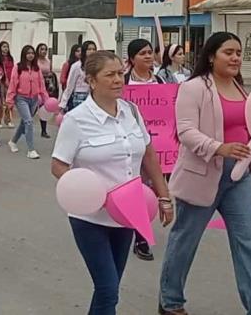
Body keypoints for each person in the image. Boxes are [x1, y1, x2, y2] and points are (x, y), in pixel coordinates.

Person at [159, 32, 251, 315]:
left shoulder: (241, 87)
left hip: (239, 177)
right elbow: (186, 131)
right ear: (211, 56)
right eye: (228, 52)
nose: (235, 57)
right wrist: (219, 148)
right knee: (185, 240)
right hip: (203, 174)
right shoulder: (194, 87)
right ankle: (171, 300)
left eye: (238, 52)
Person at [52, 50, 173, 315]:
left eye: (120, 73)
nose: (118, 80)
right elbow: (58, 165)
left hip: (126, 214)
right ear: (92, 81)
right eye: (110, 75)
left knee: (110, 287)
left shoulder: (131, 111)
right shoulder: (76, 120)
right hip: (90, 219)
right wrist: (89, 191)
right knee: (108, 289)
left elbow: (149, 155)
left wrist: (164, 196)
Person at [123, 38, 165, 261]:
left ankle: (139, 230)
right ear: (132, 59)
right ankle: (140, 238)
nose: (148, 56)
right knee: (136, 191)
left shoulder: (159, 81)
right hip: (130, 146)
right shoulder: (122, 82)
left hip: (156, 146)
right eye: (142, 53)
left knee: (152, 191)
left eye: (150, 52)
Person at [6, 45, 48, 159]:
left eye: (32, 53)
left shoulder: (36, 68)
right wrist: (9, 100)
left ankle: (13, 141)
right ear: (24, 54)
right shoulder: (18, 67)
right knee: (29, 122)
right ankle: (31, 149)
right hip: (21, 98)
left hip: (34, 99)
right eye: (28, 53)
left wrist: (46, 99)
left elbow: (41, 84)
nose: (30, 55)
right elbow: (13, 84)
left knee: (24, 122)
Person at [59, 41, 97, 112]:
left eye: (93, 49)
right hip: (79, 96)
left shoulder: (97, 65)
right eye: (89, 49)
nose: (92, 51)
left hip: (93, 96)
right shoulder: (76, 66)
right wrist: (63, 103)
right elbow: (70, 85)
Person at [36, 43, 58, 139]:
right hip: (37, 84)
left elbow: (50, 72)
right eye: (42, 49)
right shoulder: (35, 61)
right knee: (33, 107)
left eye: (45, 49)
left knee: (44, 107)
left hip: (47, 85)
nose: (44, 51)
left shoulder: (48, 61)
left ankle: (44, 130)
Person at [0, 41, 15, 128]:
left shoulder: (10, 58)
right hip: (1, 81)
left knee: (9, 101)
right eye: (4, 47)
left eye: (7, 47)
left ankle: (8, 120)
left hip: (10, 82)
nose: (5, 48)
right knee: (1, 101)